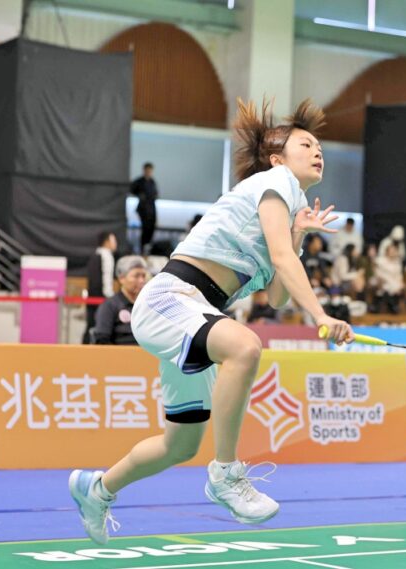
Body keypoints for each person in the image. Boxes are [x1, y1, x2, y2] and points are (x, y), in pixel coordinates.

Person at [69, 98, 354, 544]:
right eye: (306, 144)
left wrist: (299, 233)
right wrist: (319, 314)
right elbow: (282, 260)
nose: (317, 151)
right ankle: (225, 474)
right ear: (277, 159)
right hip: (172, 298)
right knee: (245, 346)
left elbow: (277, 295)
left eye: (319, 146)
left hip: (196, 312)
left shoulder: (284, 207)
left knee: (179, 445)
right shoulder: (275, 182)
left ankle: (97, 489)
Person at [92, 256, 148, 345]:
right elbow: (102, 339)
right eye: (136, 276)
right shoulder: (109, 306)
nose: (142, 280)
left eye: (144, 276)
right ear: (122, 278)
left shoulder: (148, 305)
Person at [82, 231, 117, 344]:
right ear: (106, 242)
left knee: (91, 324)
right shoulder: (106, 256)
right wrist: (110, 297)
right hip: (100, 298)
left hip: (92, 297)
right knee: (99, 325)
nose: (115, 243)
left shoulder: (95, 254)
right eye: (113, 240)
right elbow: (106, 278)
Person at [130, 162, 159, 253]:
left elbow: (155, 194)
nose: (148, 172)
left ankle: (147, 248)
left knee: (151, 229)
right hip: (143, 209)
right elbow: (131, 189)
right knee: (145, 229)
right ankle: (142, 249)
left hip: (151, 209)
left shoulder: (152, 182)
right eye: (147, 170)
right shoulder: (139, 182)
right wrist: (139, 195)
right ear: (144, 170)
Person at [374, 242, 404, 314]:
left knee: (398, 287)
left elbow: (399, 275)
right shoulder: (380, 260)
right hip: (381, 280)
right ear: (387, 251)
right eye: (391, 251)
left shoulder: (397, 263)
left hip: (392, 282)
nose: (393, 253)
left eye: (394, 251)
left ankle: (394, 307)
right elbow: (376, 272)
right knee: (385, 287)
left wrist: (401, 283)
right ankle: (379, 307)